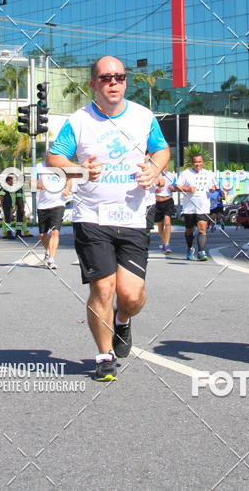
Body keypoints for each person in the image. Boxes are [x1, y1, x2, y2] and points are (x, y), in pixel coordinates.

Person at [47, 56, 170, 382]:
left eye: (119, 77)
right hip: (92, 217)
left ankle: (124, 321)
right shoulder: (80, 120)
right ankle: (104, 356)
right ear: (93, 84)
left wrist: (154, 170)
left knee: (130, 296)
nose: (113, 82)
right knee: (103, 288)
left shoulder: (144, 117)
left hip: (133, 216)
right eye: (105, 78)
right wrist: (80, 169)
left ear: (125, 81)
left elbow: (162, 150)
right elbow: (54, 156)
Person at [175, 154, 218, 261]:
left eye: (199, 162)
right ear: (192, 163)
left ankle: (201, 252)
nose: (197, 164)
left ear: (202, 162)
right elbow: (176, 187)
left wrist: (213, 189)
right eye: (195, 162)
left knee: (202, 228)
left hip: (203, 206)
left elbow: (215, 187)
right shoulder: (186, 173)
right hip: (189, 207)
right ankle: (190, 248)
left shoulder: (208, 174)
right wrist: (188, 189)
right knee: (189, 230)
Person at [36, 161, 71, 269]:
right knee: (43, 235)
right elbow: (31, 183)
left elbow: (69, 178)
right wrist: (40, 186)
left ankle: (51, 259)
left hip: (58, 204)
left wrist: (67, 189)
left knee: (55, 232)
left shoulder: (62, 165)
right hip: (43, 205)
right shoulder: (38, 167)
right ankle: (47, 251)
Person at [0, 172, 33, 239]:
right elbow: (19, 198)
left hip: (12, 205)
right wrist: (21, 207)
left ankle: (17, 232)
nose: (24, 180)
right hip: (13, 205)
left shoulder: (15, 187)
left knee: (19, 220)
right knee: (8, 219)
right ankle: (8, 233)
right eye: (23, 179)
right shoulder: (15, 187)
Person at [155, 170, 176, 253]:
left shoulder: (171, 175)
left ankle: (167, 244)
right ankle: (164, 243)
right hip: (157, 201)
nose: (164, 168)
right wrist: (155, 190)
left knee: (167, 221)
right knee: (160, 225)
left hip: (168, 201)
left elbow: (176, 186)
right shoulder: (155, 175)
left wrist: (173, 188)